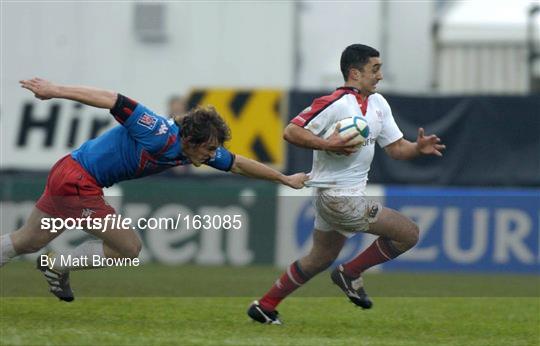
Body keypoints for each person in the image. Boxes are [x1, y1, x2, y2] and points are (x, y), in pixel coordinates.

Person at [0, 77, 308, 302]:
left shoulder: (193, 148)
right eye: (209, 148)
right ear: (191, 140)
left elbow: (239, 164)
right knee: (128, 248)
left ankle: (54, 263)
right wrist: (55, 90)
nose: (211, 155)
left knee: (26, 241)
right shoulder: (157, 131)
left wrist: (284, 179)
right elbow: (112, 99)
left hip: (69, 171)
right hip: (77, 181)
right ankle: (57, 264)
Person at [247, 44, 446, 324]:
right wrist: (327, 143)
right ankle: (350, 273)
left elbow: (397, 148)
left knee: (320, 257)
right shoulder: (335, 103)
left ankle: (265, 306)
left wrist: (416, 148)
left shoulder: (378, 104)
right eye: (374, 69)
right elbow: (291, 131)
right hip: (338, 199)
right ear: (354, 73)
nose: (380, 75)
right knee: (408, 234)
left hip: (340, 196)